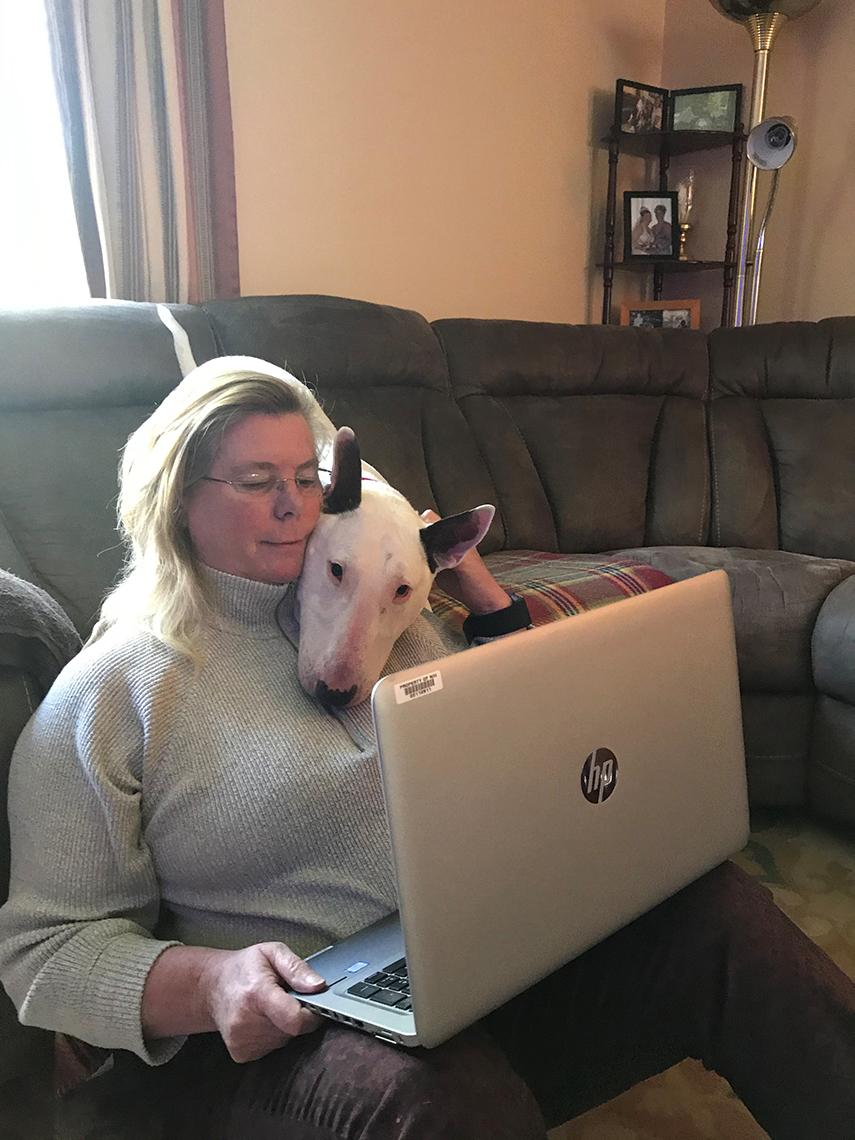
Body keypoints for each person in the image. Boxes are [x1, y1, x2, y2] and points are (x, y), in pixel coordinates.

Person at [1, 357, 853, 1140]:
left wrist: (464, 575)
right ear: (175, 494)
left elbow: (521, 720)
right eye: (257, 482)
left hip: (468, 963)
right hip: (284, 1033)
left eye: (306, 478)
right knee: (439, 1100)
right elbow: (44, 951)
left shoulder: (391, 613)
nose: (294, 507)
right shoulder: (119, 686)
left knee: (718, 920)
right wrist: (214, 982)